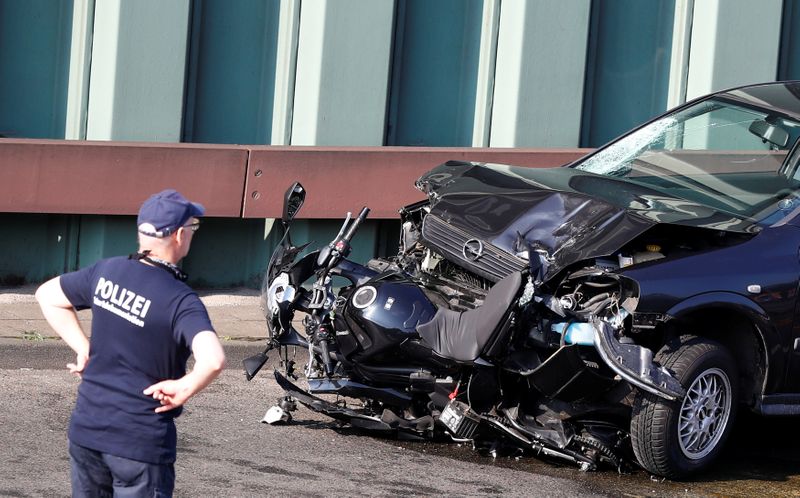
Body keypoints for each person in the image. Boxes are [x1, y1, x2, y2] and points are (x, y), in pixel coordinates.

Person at [36, 189, 226, 497]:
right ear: (179, 235)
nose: (193, 234)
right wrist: (186, 387)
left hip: (87, 432)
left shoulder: (106, 271)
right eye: (193, 227)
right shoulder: (180, 301)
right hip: (139, 445)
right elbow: (214, 359)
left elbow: (48, 295)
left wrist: (84, 348)